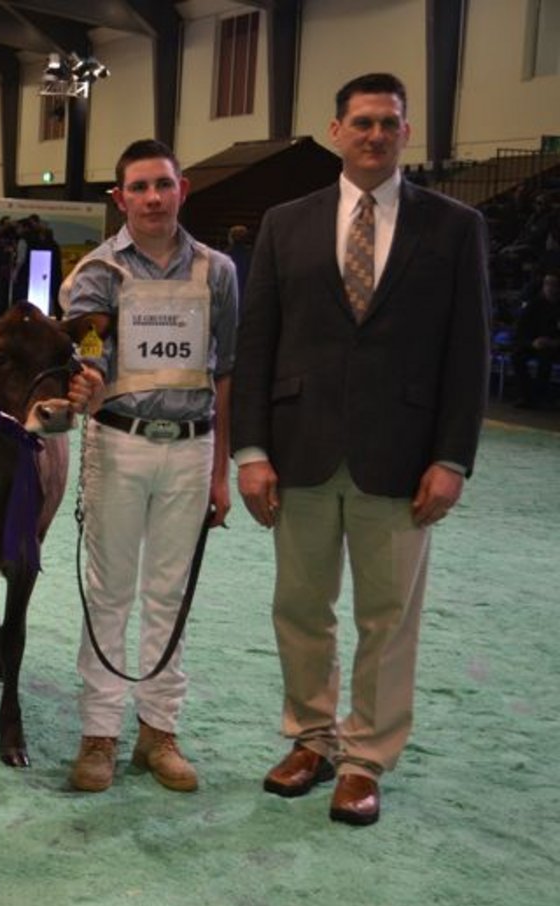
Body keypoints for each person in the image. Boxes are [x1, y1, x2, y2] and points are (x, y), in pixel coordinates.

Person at [231, 73, 490, 826]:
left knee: (388, 617)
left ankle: (365, 757)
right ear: (336, 130)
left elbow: (467, 356)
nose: (376, 134)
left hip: (403, 459)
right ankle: (310, 738)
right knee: (301, 608)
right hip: (299, 449)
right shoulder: (285, 222)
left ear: (406, 133)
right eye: (363, 121)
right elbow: (258, 344)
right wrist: (250, 447)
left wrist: (453, 458)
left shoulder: (454, 227)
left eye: (390, 123)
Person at [60, 139, 237, 796]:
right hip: (118, 442)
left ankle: (159, 731)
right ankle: (99, 732)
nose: (153, 198)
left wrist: (222, 472)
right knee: (110, 590)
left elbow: (224, 374)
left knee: (171, 592)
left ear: (182, 189)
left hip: (192, 444)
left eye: (163, 184)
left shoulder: (218, 272)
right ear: (120, 198)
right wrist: (87, 386)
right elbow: (86, 361)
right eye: (139, 187)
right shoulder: (97, 274)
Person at [511, 269, 560, 408]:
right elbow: (520, 331)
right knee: (517, 356)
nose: (551, 288)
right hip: (535, 344)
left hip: (555, 346)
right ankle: (525, 396)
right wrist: (532, 343)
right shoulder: (534, 305)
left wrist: (554, 342)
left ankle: (541, 397)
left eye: (554, 284)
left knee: (546, 359)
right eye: (548, 284)